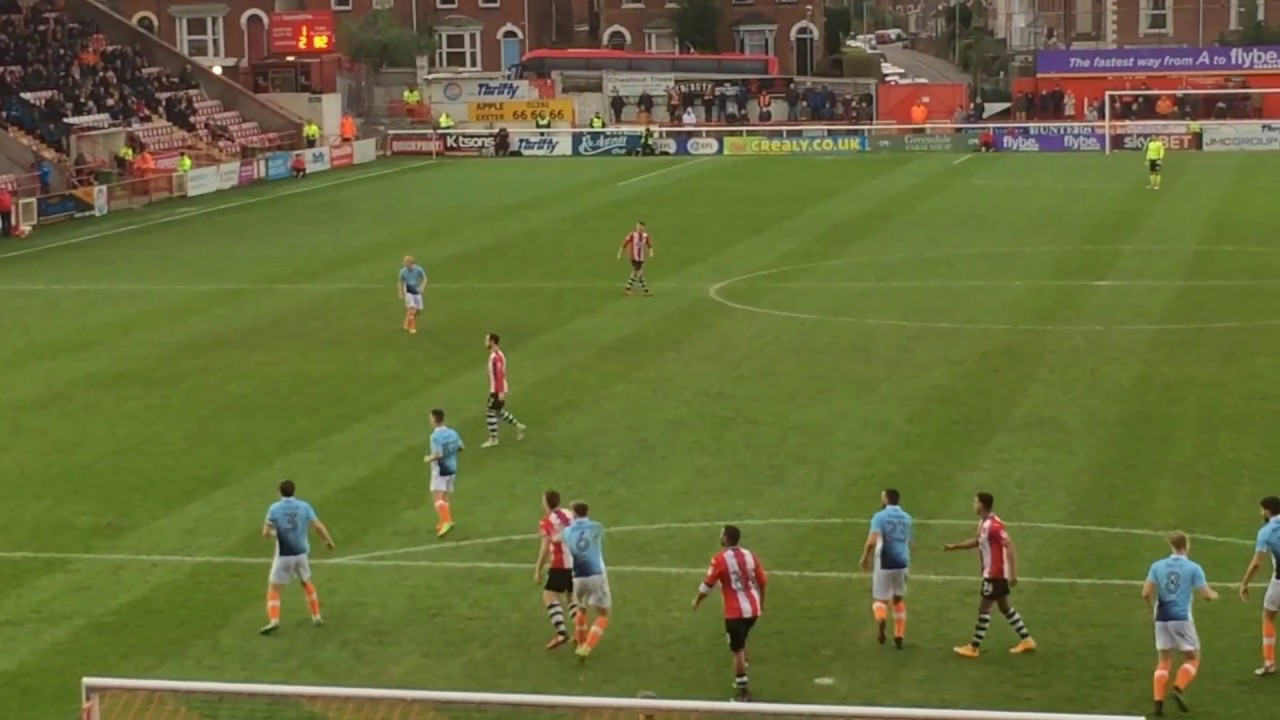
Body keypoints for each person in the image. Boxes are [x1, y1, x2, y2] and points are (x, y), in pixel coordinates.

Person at [943, 492, 1037, 657]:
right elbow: (978, 541)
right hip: (994, 574)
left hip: (995, 574)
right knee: (1005, 607)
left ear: (982, 505)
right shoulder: (984, 523)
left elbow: (1010, 547)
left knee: (984, 609)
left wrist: (1013, 573)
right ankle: (1027, 640)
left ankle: (973, 647)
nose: (973, 506)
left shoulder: (994, 526)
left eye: (975, 502)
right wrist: (955, 546)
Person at [1145, 532, 1218, 716]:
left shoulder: (1157, 566)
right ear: (1186, 545)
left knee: (1164, 660)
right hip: (1181, 619)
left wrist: (1150, 610)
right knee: (1193, 658)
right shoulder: (1193, 567)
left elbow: (1145, 593)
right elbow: (1206, 595)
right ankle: (1178, 689)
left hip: (1161, 617)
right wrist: (1214, 595)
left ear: (1171, 546)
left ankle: (1158, 703)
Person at [692, 525, 767, 703]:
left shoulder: (719, 560)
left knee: (737, 649)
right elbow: (762, 580)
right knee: (742, 637)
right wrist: (761, 601)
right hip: (753, 609)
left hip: (735, 613)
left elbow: (707, 585)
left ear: (726, 538)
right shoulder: (750, 555)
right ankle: (744, 664)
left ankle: (743, 692)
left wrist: (697, 600)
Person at [261, 479, 335, 635]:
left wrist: (279, 535)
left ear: (280, 492)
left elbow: (266, 533)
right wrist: (328, 541)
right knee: (306, 582)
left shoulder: (274, 508)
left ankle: (274, 620)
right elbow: (318, 526)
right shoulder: (304, 506)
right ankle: (316, 616)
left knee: (274, 588)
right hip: (301, 553)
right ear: (294, 491)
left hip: (284, 555)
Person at [859, 488, 912, 648]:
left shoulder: (879, 516)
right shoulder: (907, 517)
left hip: (884, 560)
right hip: (902, 560)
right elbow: (908, 540)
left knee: (880, 601)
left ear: (886, 499)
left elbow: (871, 541)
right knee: (898, 599)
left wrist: (864, 558)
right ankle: (899, 635)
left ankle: (881, 619)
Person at [561, 501, 610, 662]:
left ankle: (579, 640)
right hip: (596, 574)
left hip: (578, 577)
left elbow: (559, 539)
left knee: (581, 608)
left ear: (574, 514)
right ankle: (586, 647)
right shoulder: (597, 527)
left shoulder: (567, 532)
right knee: (603, 614)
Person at [1238, 495, 1280, 677]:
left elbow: (1256, 563)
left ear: (1268, 511)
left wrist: (1244, 583)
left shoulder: (1266, 531)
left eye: (1261, 509)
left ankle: (1269, 662)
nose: (1260, 513)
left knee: (1269, 616)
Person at [534, 489, 580, 649]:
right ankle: (580, 632)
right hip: (577, 561)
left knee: (548, 596)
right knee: (571, 597)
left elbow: (545, 548)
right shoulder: (568, 513)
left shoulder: (546, 522)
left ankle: (561, 633)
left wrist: (537, 570)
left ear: (546, 503)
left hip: (560, 564)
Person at [423, 408, 464, 539]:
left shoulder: (435, 436)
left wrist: (428, 458)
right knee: (446, 496)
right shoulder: (453, 432)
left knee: (437, 497)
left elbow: (438, 454)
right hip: (452, 467)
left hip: (440, 470)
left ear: (434, 419)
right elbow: (461, 447)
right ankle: (445, 520)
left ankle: (447, 521)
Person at [482, 333, 526, 447]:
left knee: (489, 412)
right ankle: (518, 426)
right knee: (497, 412)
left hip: (497, 389)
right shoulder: (497, 354)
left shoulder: (495, 357)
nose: (485, 342)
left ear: (492, 342)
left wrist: (500, 391)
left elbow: (499, 374)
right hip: (497, 388)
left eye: (487, 340)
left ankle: (493, 439)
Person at [617, 221, 653, 296]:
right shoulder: (632, 235)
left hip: (641, 258)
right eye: (637, 226)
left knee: (635, 273)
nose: (638, 228)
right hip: (634, 257)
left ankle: (628, 289)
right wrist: (620, 253)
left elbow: (649, 245)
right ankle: (646, 291)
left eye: (640, 226)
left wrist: (651, 252)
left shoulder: (645, 236)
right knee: (639, 273)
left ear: (643, 227)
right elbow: (624, 244)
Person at [398, 255, 426, 335]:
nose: (405, 265)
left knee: (418, 310)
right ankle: (412, 327)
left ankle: (408, 320)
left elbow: (425, 278)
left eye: (407, 263)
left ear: (411, 263)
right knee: (412, 309)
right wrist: (400, 293)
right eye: (405, 263)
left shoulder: (419, 269)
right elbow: (400, 282)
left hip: (417, 291)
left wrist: (422, 286)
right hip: (408, 291)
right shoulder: (403, 271)